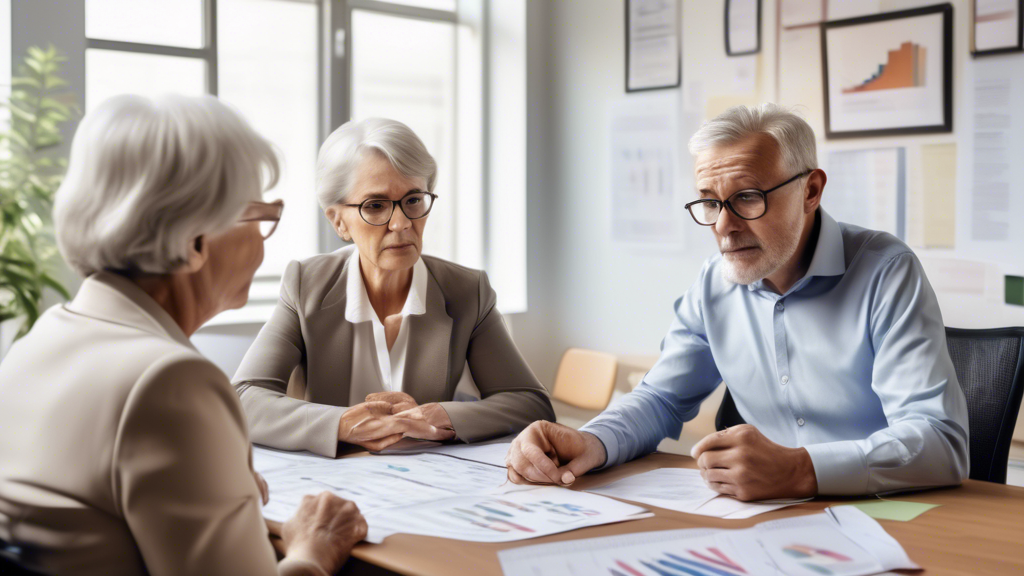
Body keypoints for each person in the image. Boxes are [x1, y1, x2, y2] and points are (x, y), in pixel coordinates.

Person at [506, 104, 970, 500]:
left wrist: (800, 469)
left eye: (747, 198)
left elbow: (940, 441)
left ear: (810, 191)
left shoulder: (886, 273)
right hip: (767, 519)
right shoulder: (715, 283)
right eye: (710, 202)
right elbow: (661, 398)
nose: (724, 227)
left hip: (886, 512)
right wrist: (591, 440)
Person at [0, 94, 366, 576]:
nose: (263, 240)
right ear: (194, 242)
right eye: (259, 216)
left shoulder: (37, 343)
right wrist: (312, 550)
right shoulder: (170, 382)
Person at [233, 118, 554, 457]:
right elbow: (243, 398)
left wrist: (441, 415)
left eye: (414, 200)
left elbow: (532, 404)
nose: (401, 224)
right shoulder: (306, 284)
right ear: (338, 221)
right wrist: (342, 424)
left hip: (428, 487)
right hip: (332, 487)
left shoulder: (466, 291)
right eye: (375, 206)